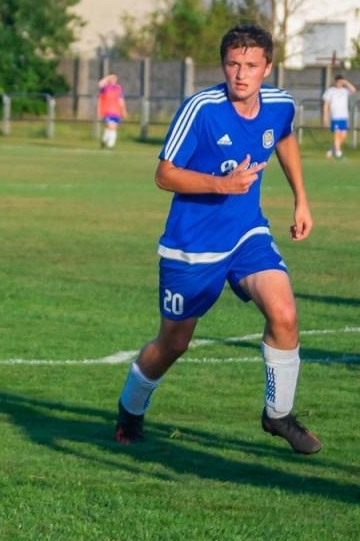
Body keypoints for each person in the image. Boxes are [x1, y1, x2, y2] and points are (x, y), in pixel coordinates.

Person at [114, 24, 319, 455]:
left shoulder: (280, 104)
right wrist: (220, 185)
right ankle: (130, 408)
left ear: (268, 67)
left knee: (283, 313)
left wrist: (301, 198)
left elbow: (283, 137)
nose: (240, 74)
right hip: (192, 245)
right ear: (223, 64)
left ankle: (278, 413)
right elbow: (164, 174)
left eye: (250, 65)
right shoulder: (201, 109)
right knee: (174, 343)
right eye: (232, 64)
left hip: (247, 233)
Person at [320, 72, 354, 161]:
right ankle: (339, 154)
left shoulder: (345, 91)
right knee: (337, 135)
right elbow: (326, 105)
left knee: (343, 136)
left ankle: (331, 151)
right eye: (338, 82)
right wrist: (325, 117)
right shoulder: (330, 91)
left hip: (344, 116)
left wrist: (346, 82)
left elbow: (353, 90)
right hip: (335, 116)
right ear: (335, 82)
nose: (339, 84)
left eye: (341, 82)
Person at [97, 73, 127, 149]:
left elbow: (121, 100)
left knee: (113, 127)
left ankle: (104, 140)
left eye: (115, 78)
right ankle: (110, 144)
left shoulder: (118, 88)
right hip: (107, 111)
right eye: (112, 78)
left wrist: (123, 110)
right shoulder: (105, 88)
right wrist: (107, 77)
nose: (114, 80)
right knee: (111, 127)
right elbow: (100, 84)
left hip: (116, 111)